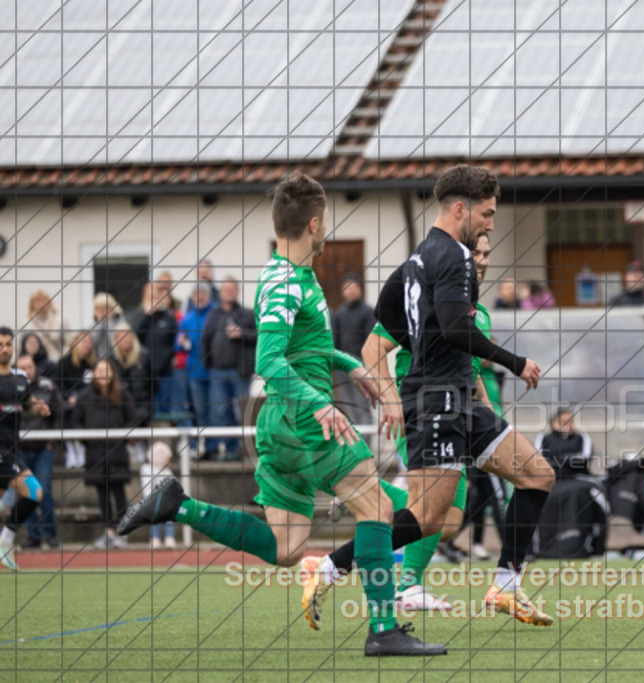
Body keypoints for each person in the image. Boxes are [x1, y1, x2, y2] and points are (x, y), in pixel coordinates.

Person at [116, 172, 443, 656]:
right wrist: (319, 403)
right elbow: (269, 360)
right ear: (314, 223)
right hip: (305, 421)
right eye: (326, 220)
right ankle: (383, 629)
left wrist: (350, 366)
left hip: (284, 425)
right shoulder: (286, 281)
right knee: (377, 508)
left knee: (288, 547)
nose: (326, 228)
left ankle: (177, 504)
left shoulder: (297, 276)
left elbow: (305, 348)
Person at [319, 164, 556, 626]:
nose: (490, 225)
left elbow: (393, 319)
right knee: (428, 520)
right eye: (486, 214)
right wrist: (515, 362)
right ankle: (330, 566)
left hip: (459, 400)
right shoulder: (454, 257)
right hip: (439, 400)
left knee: (537, 474)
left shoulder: (415, 264)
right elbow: (450, 328)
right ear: (460, 208)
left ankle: (506, 586)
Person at [350, 232, 495, 611]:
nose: (481, 260)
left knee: (447, 522)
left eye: (486, 254)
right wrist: (391, 398)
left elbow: (470, 367)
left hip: (458, 414)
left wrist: (489, 411)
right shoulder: (425, 298)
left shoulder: (479, 313)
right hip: (421, 411)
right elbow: (370, 350)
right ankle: (407, 585)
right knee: (434, 511)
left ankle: (368, 492)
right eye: (474, 253)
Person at [72, 359, 139, 549]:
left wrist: (123, 438)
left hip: (117, 453)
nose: (102, 374)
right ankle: (108, 532)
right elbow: (76, 422)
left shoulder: (122, 394)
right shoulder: (85, 397)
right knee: (103, 496)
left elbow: (132, 419)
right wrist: (88, 440)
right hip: (95, 454)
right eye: (99, 370)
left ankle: (122, 532)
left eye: (106, 370)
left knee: (119, 494)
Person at [0, 328, 52, 570]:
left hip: (12, 449)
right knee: (35, 492)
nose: (4, 348)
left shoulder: (20, 378)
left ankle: (4, 542)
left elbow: (27, 407)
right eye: (0, 344)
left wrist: (37, 409)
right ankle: (5, 541)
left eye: (8, 344)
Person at [201, 276, 256, 460]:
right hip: (217, 372)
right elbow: (206, 340)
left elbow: (259, 336)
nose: (229, 293)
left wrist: (242, 334)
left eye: (232, 290)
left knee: (241, 412)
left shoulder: (247, 314)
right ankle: (227, 449)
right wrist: (207, 363)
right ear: (221, 293)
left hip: (239, 373)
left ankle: (243, 450)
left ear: (237, 292)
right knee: (219, 412)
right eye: (226, 290)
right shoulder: (214, 315)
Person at [14, 352, 62, 549]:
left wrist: (52, 440)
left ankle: (51, 534)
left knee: (44, 490)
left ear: (35, 367)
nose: (27, 371)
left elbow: (59, 414)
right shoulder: (9, 388)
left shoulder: (48, 387)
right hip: (19, 449)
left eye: (30, 367)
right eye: (22, 368)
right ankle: (33, 536)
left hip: (43, 448)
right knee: (28, 493)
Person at [331, 274, 376, 427]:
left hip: (360, 366)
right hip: (342, 369)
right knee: (349, 407)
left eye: (354, 287)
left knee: (361, 406)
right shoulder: (340, 313)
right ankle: (356, 447)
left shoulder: (368, 312)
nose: (351, 291)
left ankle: (368, 447)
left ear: (360, 289)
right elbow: (335, 340)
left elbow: (372, 342)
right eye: (347, 288)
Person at [129, 281, 178, 419]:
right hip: (144, 375)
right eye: (150, 297)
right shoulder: (138, 317)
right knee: (146, 412)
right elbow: (134, 338)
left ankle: (165, 439)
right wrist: (147, 315)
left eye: (156, 296)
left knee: (165, 411)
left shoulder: (169, 317)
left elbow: (174, 343)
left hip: (165, 374)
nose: (153, 300)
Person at [177, 284, 214, 457]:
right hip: (194, 373)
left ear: (208, 296)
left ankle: (213, 447)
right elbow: (179, 346)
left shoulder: (215, 314)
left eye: (203, 294)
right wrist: (180, 342)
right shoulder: (187, 318)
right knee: (199, 410)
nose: (200, 298)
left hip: (215, 372)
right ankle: (198, 447)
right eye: (196, 295)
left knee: (215, 411)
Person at [534, 407, 593, 480]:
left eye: (571, 421)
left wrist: (555, 459)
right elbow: (539, 461)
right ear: (553, 423)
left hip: (577, 478)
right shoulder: (544, 438)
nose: (568, 424)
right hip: (551, 478)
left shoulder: (582, 438)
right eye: (563, 421)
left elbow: (583, 460)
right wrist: (568, 459)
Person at [111, 323, 152, 425]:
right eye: (122, 337)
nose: (125, 340)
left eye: (128, 336)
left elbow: (153, 382)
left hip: (141, 405)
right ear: (116, 340)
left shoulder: (144, 356)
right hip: (118, 406)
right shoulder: (111, 360)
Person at [140, 442, 176, 549]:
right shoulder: (146, 469)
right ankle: (154, 538)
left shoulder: (167, 471)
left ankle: (170, 538)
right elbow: (146, 488)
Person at [53, 330, 96, 398]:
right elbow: (58, 387)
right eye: (84, 341)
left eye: (89, 342)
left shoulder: (93, 364)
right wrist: (69, 397)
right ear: (75, 343)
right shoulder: (64, 363)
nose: (87, 345)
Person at [24, 290, 65, 360]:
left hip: (57, 362)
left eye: (44, 300)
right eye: (37, 301)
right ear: (32, 305)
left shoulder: (60, 320)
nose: (41, 304)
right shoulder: (26, 323)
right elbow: (19, 347)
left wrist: (63, 358)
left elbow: (69, 343)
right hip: (34, 363)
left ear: (49, 302)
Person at [91, 292, 124, 361]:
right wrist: (100, 322)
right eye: (99, 309)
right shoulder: (93, 325)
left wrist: (109, 321)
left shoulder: (121, 322)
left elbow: (115, 341)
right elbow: (92, 342)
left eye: (105, 308)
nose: (102, 312)